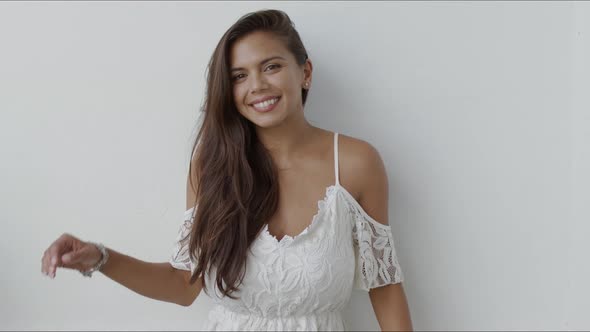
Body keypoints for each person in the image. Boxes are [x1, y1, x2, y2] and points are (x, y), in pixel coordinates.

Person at [40, 9, 413, 331]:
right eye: (239, 76)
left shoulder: (355, 163)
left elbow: (384, 284)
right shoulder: (211, 166)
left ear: (305, 73)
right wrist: (100, 258)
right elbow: (183, 285)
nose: (258, 86)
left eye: (272, 66)